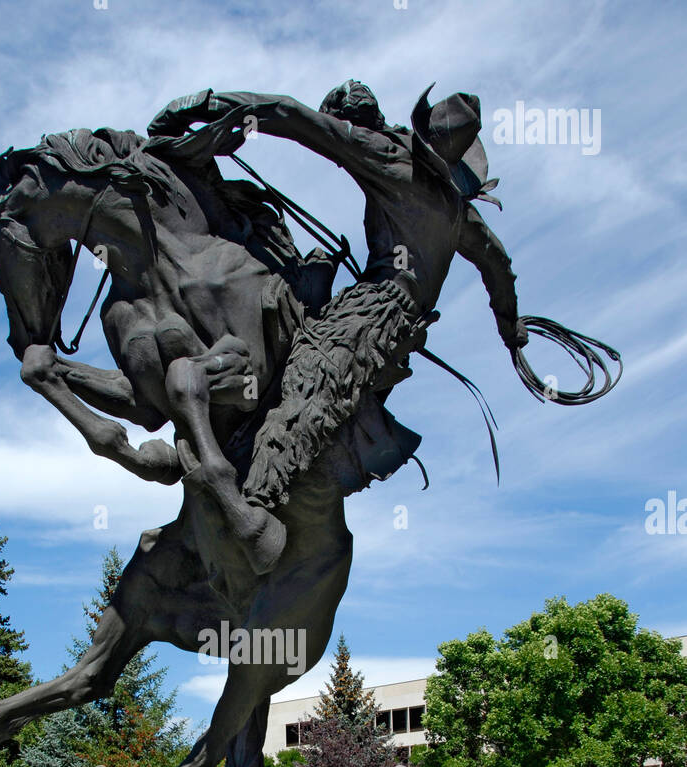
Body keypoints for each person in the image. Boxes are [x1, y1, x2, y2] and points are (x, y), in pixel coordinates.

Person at [148, 81, 527, 507]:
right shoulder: (461, 214)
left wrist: (208, 107)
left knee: (305, 385)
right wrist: (511, 329)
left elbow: (290, 112)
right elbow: (499, 265)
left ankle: (255, 507)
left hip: (372, 314)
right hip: (398, 327)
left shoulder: (389, 157)